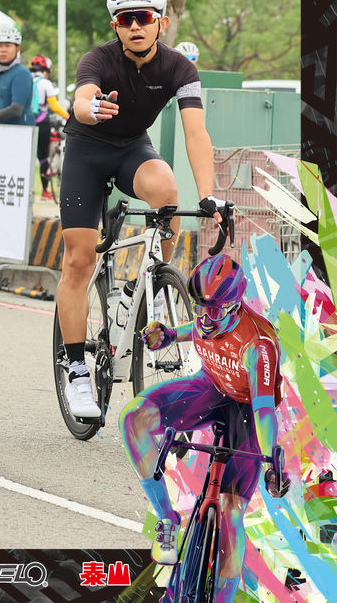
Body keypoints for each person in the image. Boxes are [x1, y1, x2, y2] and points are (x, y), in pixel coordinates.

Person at [55, 0, 224, 419]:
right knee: (79, 260)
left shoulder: (179, 69)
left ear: (160, 23)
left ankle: (155, 284)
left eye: (144, 18)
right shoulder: (98, 59)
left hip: (132, 149)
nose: (135, 26)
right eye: (125, 19)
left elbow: (196, 133)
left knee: (167, 189)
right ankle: (76, 370)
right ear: (115, 25)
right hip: (87, 151)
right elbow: (82, 98)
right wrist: (90, 109)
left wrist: (209, 196)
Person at [121, 255, 290, 602]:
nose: (205, 318)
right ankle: (167, 519)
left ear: (235, 305)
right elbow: (197, 328)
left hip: (248, 411)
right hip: (210, 387)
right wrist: (170, 335)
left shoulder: (258, 346)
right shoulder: (208, 316)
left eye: (214, 311)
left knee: (230, 514)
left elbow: (263, 410)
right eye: (200, 307)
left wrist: (273, 461)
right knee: (133, 418)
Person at [29, 54, 70, 200]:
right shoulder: (45, 83)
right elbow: (54, 106)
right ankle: (45, 191)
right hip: (42, 123)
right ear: (47, 70)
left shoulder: (26, 79)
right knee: (43, 156)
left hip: (27, 123)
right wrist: (67, 116)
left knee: (27, 156)